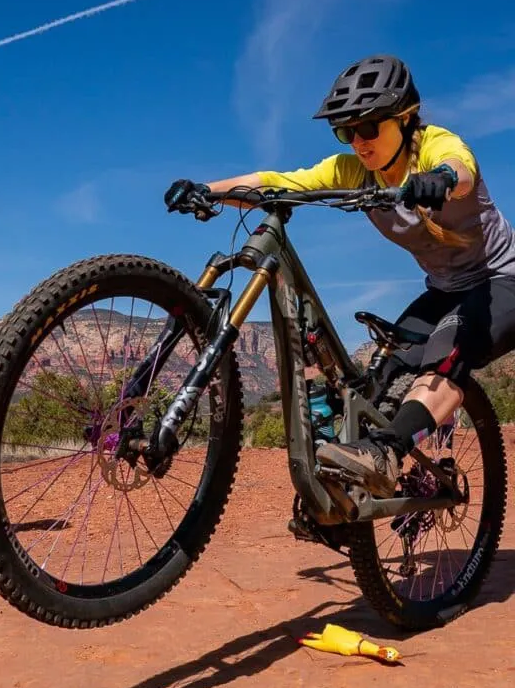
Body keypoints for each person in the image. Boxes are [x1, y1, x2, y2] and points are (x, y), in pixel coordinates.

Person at [164, 54, 515, 498]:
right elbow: (280, 181)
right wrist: (207, 189)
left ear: (405, 119)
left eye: (369, 128)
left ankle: (386, 453)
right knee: (382, 376)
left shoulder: (433, 146)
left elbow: (460, 166)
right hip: (444, 289)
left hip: (503, 279)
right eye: (346, 131)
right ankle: (364, 492)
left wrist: (440, 179)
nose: (358, 142)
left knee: (449, 348)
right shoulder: (354, 171)